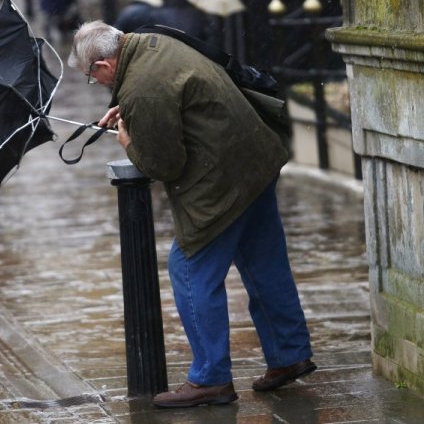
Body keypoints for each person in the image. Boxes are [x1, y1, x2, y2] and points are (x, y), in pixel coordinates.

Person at [68, 21, 316, 408]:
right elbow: (172, 96)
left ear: (102, 65)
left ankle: (210, 378)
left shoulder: (140, 87)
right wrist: (133, 110)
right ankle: (290, 354)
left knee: (187, 268)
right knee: (263, 262)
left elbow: (164, 164)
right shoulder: (153, 42)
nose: (96, 84)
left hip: (221, 182)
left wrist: (130, 141)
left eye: (91, 78)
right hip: (255, 159)